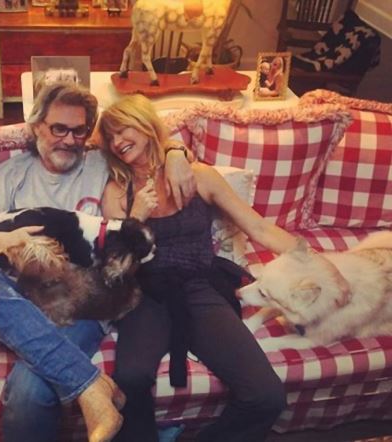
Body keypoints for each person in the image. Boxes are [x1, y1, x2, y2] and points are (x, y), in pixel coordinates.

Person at [0, 82, 196, 442]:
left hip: (82, 303)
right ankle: (91, 386)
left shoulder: (101, 164)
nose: (69, 139)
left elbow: (147, 142)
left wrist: (175, 152)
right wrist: (4, 240)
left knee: (30, 393)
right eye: (58, 128)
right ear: (37, 127)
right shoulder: (7, 178)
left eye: (79, 131)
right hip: (21, 300)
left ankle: (87, 387)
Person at [98, 94, 297, 442]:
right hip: (144, 294)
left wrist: (312, 256)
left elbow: (259, 228)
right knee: (130, 378)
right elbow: (115, 264)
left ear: (146, 124)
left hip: (198, 288)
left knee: (266, 396)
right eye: (110, 137)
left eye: (122, 129)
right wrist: (135, 219)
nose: (116, 142)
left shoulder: (199, 175)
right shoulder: (118, 191)